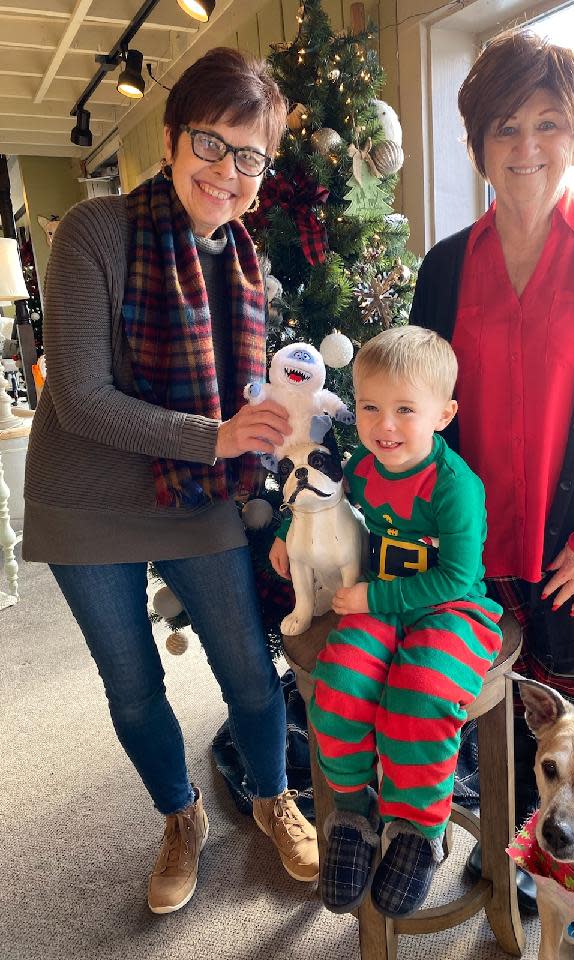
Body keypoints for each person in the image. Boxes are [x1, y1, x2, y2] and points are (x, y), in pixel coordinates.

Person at [22, 48, 319, 914]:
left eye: (249, 154)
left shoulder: (245, 264)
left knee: (249, 671)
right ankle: (180, 817)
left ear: (264, 172)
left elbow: (238, 403)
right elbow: (77, 397)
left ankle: (273, 797)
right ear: (170, 137)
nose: (227, 171)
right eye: (210, 143)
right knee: (132, 685)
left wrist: (275, 420)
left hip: (196, 496)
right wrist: (220, 435)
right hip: (84, 501)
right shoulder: (94, 230)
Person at [409, 28, 574, 909]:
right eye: (504, 128)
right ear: (478, 143)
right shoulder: (446, 266)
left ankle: (543, 868)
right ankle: (493, 841)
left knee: (567, 736)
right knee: (474, 710)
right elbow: (419, 407)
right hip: (472, 548)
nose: (526, 147)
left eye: (547, 124)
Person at [270, 326, 504, 918]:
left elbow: (455, 578)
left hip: (451, 608)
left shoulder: (456, 489)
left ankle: (417, 830)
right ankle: (352, 812)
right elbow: (324, 499)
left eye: (405, 409)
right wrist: (282, 534)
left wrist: (374, 600)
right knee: (341, 681)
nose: (385, 426)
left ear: (444, 414)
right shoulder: (363, 466)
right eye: (370, 407)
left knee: (420, 697)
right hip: (380, 605)